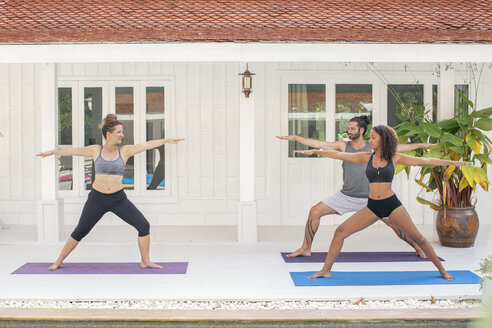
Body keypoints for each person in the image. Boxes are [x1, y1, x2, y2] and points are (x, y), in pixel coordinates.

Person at [296, 125, 470, 280]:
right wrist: (316, 152)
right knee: (340, 231)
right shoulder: (366, 157)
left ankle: (442, 271)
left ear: (383, 140)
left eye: (373, 138)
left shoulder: (396, 157)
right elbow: (339, 154)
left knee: (418, 238)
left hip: (391, 204)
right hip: (372, 206)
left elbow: (426, 161)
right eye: (370, 137)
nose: (370, 141)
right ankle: (326, 270)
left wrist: (454, 163)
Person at [37, 114, 184, 270]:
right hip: (97, 199)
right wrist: (53, 152)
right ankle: (59, 260)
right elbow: (75, 150)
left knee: (143, 226)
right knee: (80, 231)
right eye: (119, 132)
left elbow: (147, 144)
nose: (122, 135)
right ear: (109, 134)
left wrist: (166, 140)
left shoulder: (125, 151)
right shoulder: (95, 150)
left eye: (122, 132)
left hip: (118, 199)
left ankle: (145, 261)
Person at [277, 116, 434, 259]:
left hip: (372, 199)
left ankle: (418, 247)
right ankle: (305, 248)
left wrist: (422, 145)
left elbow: (400, 148)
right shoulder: (343, 146)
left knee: (395, 223)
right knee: (314, 211)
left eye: (352, 128)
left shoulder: (373, 146)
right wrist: (296, 138)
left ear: (362, 130)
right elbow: (319, 144)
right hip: (346, 196)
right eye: (348, 128)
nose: (349, 131)